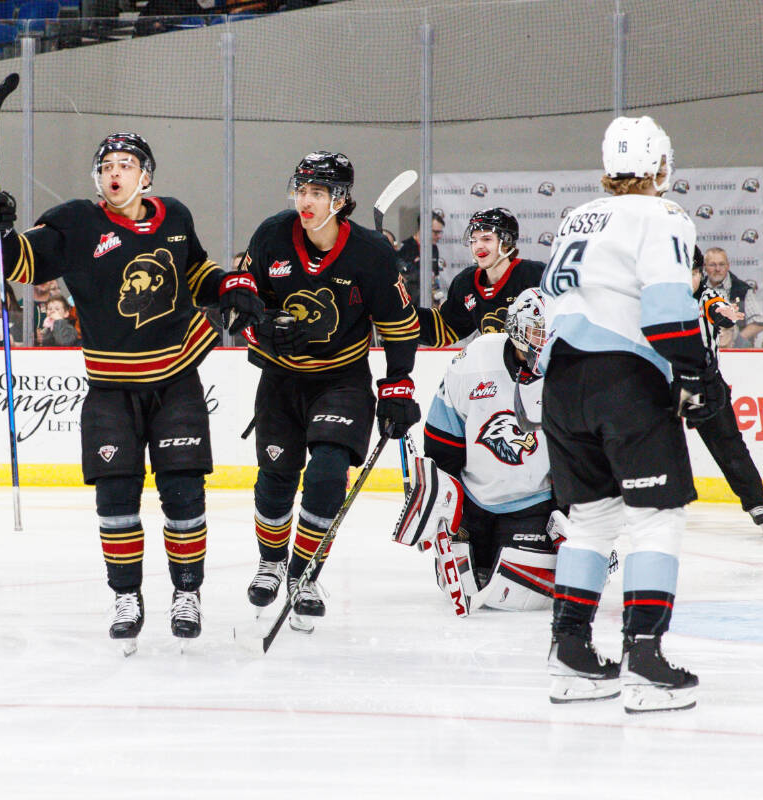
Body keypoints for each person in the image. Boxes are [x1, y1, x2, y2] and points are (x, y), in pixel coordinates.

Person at [0, 131, 264, 650]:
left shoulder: (175, 216)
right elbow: (15, 262)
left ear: (145, 175)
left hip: (176, 378)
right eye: (106, 164)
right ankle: (126, 595)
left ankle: (187, 593)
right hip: (110, 387)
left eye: (126, 164)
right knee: (115, 496)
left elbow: (196, 272)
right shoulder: (77, 222)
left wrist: (230, 285)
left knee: (182, 491)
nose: (115, 172)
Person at [538, 115, 722, 713]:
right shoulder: (662, 216)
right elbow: (668, 310)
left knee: (590, 518)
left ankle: (571, 654)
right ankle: (644, 658)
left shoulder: (575, 217)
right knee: (655, 516)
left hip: (562, 382)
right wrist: (696, 373)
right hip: (625, 380)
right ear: (661, 168)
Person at [239, 150, 421, 632]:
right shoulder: (272, 236)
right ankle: (272, 562)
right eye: (301, 191)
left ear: (340, 200)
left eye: (317, 193)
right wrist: (266, 329)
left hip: (341, 380)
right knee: (275, 480)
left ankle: (304, 574)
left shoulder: (370, 254)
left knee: (326, 474)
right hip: (281, 380)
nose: (306, 201)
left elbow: (400, 326)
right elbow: (241, 302)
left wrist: (397, 384)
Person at [395, 288, 567, 613]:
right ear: (515, 328)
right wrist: (444, 500)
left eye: (551, 333)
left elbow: (582, 451)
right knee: (462, 580)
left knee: (515, 598)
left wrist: (568, 509)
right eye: (536, 331)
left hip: (534, 503)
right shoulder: (474, 360)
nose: (543, 343)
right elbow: (443, 436)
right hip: (475, 501)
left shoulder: (570, 370)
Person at [690, 257, 763, 531]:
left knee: (727, 443)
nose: (685, 279)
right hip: (663, 383)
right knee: (642, 439)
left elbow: (716, 307)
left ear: (699, 272)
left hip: (702, 384)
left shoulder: (707, 294)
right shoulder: (658, 297)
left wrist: (724, 313)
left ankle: (754, 501)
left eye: (690, 273)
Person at [417, 207, 546, 347]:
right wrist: (399, 314)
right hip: (495, 367)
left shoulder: (536, 275)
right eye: (473, 240)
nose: (478, 246)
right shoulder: (466, 283)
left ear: (507, 243)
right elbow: (444, 329)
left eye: (486, 239)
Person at [699, 247, 763, 348]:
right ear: (705, 267)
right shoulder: (697, 289)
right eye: (712, 265)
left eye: (721, 264)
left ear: (728, 266)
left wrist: (736, 341)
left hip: (736, 353)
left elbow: (758, 322)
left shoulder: (743, 290)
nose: (717, 269)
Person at [396, 210, 445, 304]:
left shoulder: (434, 248)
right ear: (423, 229)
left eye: (440, 233)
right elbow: (402, 277)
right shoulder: (406, 247)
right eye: (435, 232)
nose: (438, 236)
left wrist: (438, 301)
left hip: (427, 305)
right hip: (409, 305)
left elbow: (434, 277)